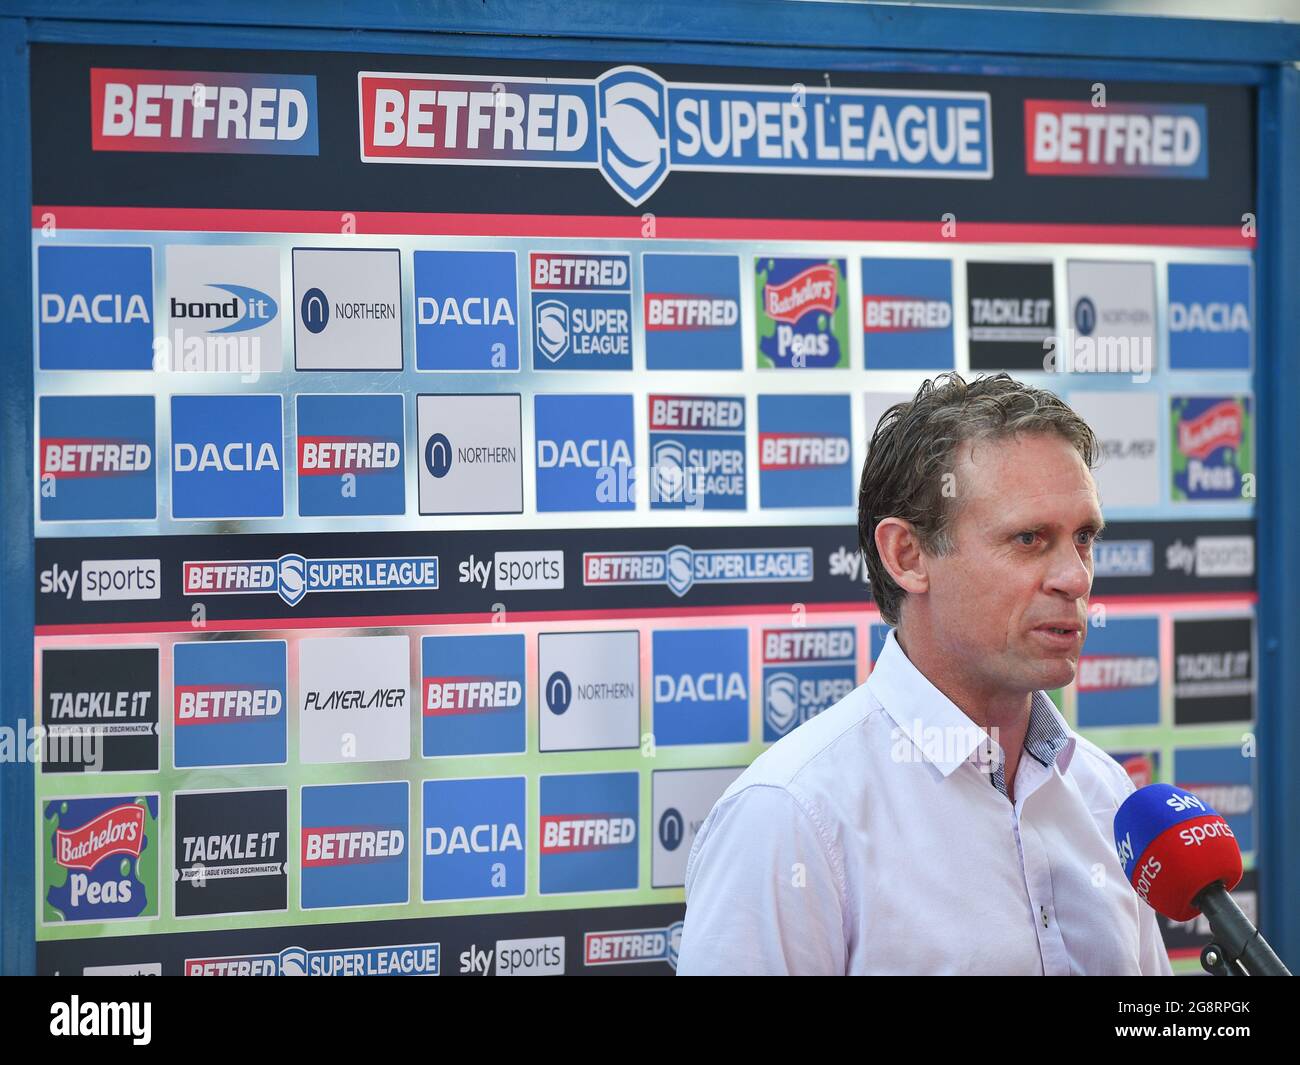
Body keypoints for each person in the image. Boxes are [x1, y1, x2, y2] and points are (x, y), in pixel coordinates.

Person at [675, 372, 1172, 975]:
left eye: (1084, 538)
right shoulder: (790, 816)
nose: (1075, 578)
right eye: (1029, 538)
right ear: (907, 556)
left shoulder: (1106, 792)